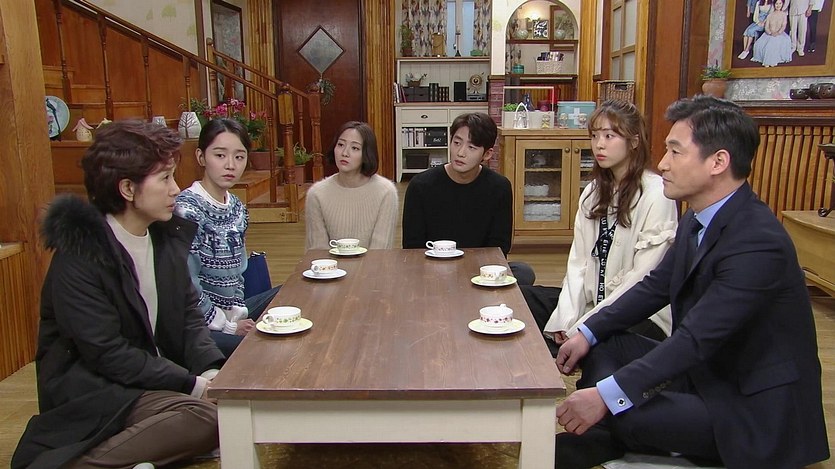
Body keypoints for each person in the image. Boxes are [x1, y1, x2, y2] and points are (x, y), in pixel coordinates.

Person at [554, 95, 829, 469]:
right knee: (606, 344)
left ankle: (605, 434)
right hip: (703, 376)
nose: (663, 163)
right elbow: (655, 286)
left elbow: (695, 339)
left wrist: (604, 396)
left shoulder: (757, 242)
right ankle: (611, 432)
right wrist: (587, 332)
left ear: (718, 162)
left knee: (623, 408)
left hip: (748, 408)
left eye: (675, 151)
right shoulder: (698, 217)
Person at [12, 121, 226, 469]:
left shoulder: (163, 237)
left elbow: (190, 318)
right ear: (127, 188)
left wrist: (211, 372)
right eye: (165, 178)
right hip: (99, 391)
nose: (176, 189)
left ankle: (138, 454)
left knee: (230, 403)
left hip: (151, 380)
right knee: (208, 418)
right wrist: (193, 385)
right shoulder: (81, 254)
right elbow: (107, 353)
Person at [520, 100, 677, 357]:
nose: (599, 145)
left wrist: (585, 326)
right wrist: (566, 319)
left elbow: (641, 279)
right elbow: (578, 264)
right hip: (594, 304)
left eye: (609, 136)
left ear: (634, 141)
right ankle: (562, 345)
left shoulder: (657, 193)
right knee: (522, 299)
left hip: (639, 314)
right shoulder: (593, 192)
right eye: (594, 136)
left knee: (603, 347)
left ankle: (570, 349)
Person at [175, 118, 280, 358]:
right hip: (198, 324)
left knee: (292, 294)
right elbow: (187, 285)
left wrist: (238, 314)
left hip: (232, 312)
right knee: (265, 348)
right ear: (201, 157)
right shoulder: (187, 210)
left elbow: (239, 271)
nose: (230, 165)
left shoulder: (237, 208)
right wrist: (229, 327)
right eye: (220, 155)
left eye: (239, 157)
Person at [402, 112, 535, 285]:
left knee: (523, 272)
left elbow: (499, 246)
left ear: (487, 154)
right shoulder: (421, 185)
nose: (460, 153)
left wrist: (474, 272)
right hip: (432, 270)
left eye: (471, 147)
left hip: (479, 270)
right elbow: (412, 248)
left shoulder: (499, 187)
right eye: (456, 143)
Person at [305, 121, 398, 250]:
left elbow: (380, 250)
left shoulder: (386, 192)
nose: (344, 153)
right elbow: (318, 249)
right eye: (340, 145)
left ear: (366, 154)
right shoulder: (316, 194)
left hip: (374, 263)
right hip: (329, 263)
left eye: (355, 148)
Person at [751, 0, 793, 67]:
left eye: (780, 3)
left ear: (782, 4)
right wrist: (769, 32)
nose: (778, 5)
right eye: (776, 3)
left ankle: (770, 61)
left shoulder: (784, 15)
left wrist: (778, 33)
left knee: (772, 44)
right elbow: (766, 27)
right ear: (774, 4)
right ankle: (766, 59)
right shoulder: (770, 15)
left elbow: (783, 26)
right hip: (769, 33)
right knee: (758, 44)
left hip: (779, 34)